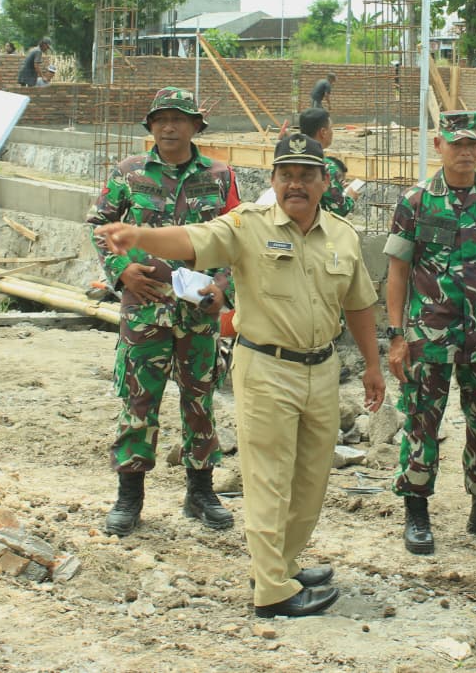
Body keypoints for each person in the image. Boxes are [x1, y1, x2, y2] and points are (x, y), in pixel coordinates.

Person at [96, 133, 385, 619]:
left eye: (307, 175)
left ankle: (280, 564)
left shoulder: (342, 235)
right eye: (286, 175)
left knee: (310, 480)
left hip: (322, 370)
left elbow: (358, 304)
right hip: (267, 367)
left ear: (323, 182)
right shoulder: (247, 225)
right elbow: (193, 240)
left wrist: (372, 365)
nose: (296, 184)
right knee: (269, 478)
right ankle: (272, 592)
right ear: (273, 181)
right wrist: (140, 236)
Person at [87, 87, 242, 538]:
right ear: (150, 127)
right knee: (139, 401)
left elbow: (237, 234)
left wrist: (222, 287)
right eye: (161, 119)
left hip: (198, 312)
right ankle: (129, 497)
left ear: (197, 126)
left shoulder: (219, 175)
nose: (169, 126)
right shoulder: (128, 173)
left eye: (179, 119)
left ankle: (201, 492)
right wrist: (121, 271)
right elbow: (99, 224)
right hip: (144, 309)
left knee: (200, 402)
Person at [383, 110, 476, 556]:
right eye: (456, 144)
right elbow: (397, 272)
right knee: (422, 421)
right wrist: (396, 336)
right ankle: (417, 515)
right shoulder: (415, 202)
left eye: (472, 144)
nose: (465, 152)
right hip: (428, 337)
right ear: (439, 146)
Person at [299, 106, 358, 217]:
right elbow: (339, 209)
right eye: (331, 128)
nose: (332, 133)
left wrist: (336, 187)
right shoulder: (326, 167)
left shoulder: (292, 159)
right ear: (323, 132)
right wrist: (350, 198)